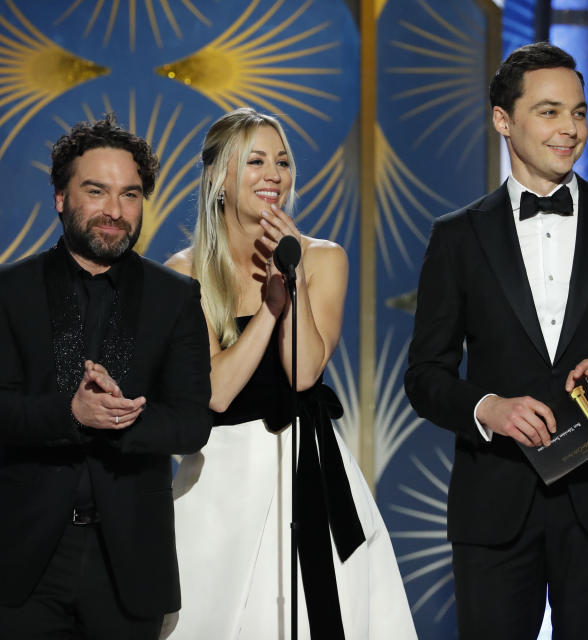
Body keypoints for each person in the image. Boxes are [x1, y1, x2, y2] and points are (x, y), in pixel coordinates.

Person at [404, 42, 588, 639]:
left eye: (580, 112)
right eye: (550, 112)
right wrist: (489, 407)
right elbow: (425, 376)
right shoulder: (457, 238)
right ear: (502, 120)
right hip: (496, 502)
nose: (570, 129)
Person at [162, 107, 416, 639]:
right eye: (255, 161)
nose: (274, 174)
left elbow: (303, 375)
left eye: (282, 161)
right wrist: (269, 312)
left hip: (307, 468)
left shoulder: (325, 259)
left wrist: (291, 278)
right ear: (218, 177)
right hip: (218, 481)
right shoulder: (183, 273)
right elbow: (216, 390)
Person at [0, 115, 212, 638]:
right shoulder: (8, 290)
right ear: (60, 197)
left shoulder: (175, 297)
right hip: (29, 559)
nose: (115, 211)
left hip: (131, 562)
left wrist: (121, 419)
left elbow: (192, 424)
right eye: (96, 191)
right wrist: (71, 413)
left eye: (130, 195)